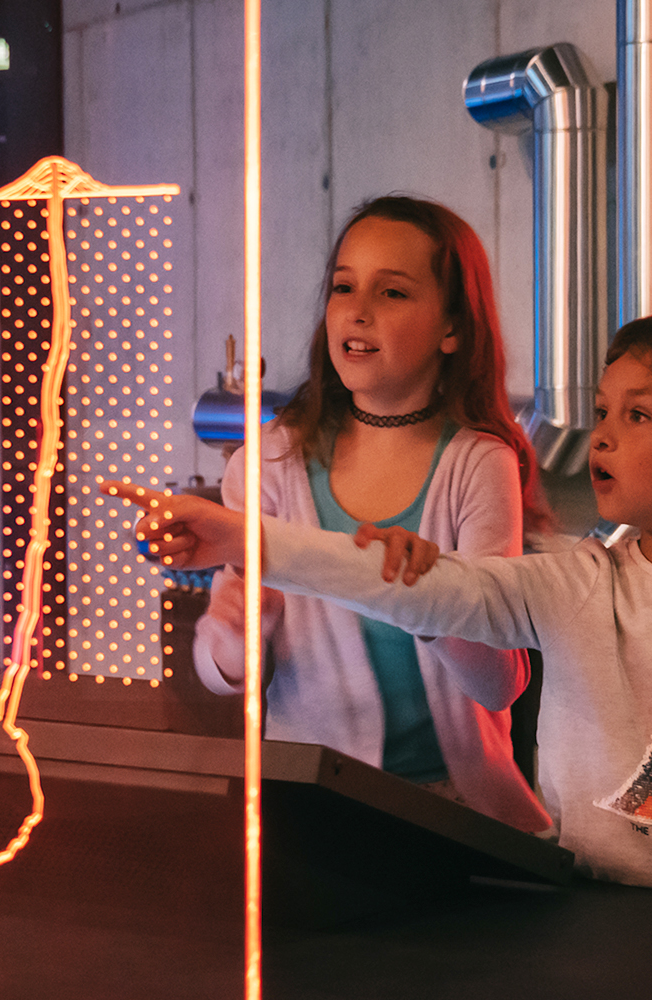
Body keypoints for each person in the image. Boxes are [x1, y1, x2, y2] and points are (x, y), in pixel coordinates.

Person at [106, 310, 652, 942]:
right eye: (602, 411)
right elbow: (434, 594)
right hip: (586, 925)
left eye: (637, 416)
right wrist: (243, 540)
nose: (603, 436)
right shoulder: (573, 582)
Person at [190, 195, 551, 833]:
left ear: (453, 328)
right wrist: (235, 634)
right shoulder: (267, 463)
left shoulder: (480, 463)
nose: (357, 310)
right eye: (343, 287)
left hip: (454, 811)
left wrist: (430, 600)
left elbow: (501, 685)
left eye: (392, 292)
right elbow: (221, 677)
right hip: (311, 806)